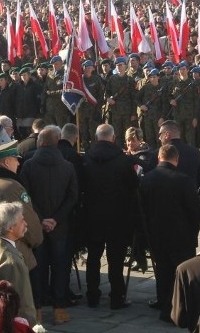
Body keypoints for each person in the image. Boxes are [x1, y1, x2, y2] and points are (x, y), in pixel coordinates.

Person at [19, 125, 78, 326]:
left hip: (36, 226)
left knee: (37, 267)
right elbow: (72, 196)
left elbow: (25, 196)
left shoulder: (28, 165)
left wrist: (41, 218)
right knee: (61, 267)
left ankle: (37, 310)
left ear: (41, 142)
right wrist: (56, 219)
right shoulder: (68, 166)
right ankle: (59, 309)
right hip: (60, 227)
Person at [139, 144, 200, 323]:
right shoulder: (184, 180)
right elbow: (194, 211)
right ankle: (180, 309)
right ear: (177, 159)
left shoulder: (147, 179)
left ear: (159, 158)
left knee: (163, 270)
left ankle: (164, 305)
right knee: (182, 273)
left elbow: (142, 207)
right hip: (181, 235)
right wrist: (193, 231)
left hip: (156, 233)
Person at [81, 123, 139, 309]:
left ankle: (92, 296)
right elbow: (134, 187)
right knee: (116, 260)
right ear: (113, 138)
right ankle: (116, 297)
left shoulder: (87, 159)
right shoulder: (123, 160)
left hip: (92, 216)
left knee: (93, 257)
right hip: (117, 217)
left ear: (97, 138)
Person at [0, 201, 36, 325]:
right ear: (10, 228)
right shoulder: (11, 262)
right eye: (22, 221)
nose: (25, 224)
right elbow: (23, 304)